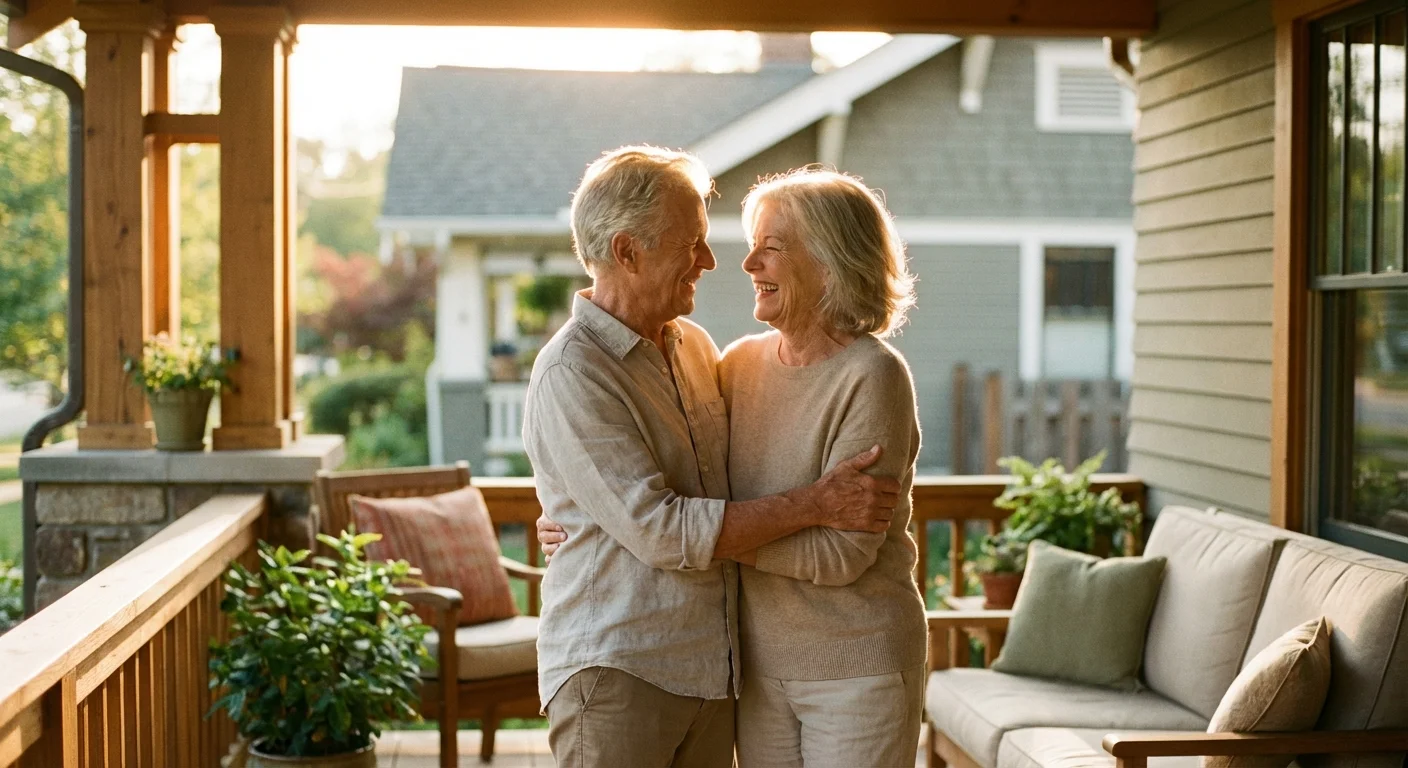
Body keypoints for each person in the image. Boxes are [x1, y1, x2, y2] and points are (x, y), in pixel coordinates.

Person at [522, 147, 902, 768]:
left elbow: (706, 485)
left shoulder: (697, 349)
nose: (713, 260)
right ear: (627, 251)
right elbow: (659, 527)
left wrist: (597, 525)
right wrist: (816, 503)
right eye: (691, 242)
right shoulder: (572, 372)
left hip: (712, 672)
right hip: (621, 669)